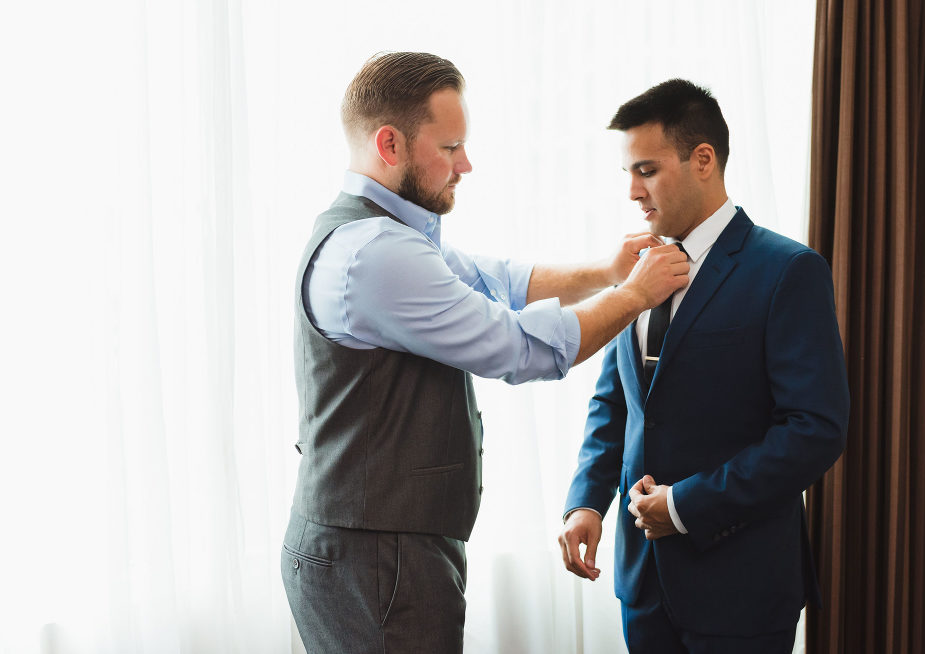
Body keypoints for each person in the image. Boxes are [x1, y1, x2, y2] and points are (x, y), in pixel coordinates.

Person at [281, 52, 690, 654]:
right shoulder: (374, 253)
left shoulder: (383, 235)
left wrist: (605, 271)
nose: (465, 164)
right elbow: (518, 348)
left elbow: (497, 279)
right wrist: (634, 294)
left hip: (381, 549)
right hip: (378, 559)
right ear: (389, 144)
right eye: (449, 148)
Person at [558, 79, 850, 653]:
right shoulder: (637, 268)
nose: (634, 193)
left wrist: (686, 506)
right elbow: (614, 401)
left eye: (646, 170)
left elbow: (815, 430)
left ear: (703, 159)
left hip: (741, 586)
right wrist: (586, 501)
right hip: (642, 586)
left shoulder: (788, 270)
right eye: (628, 175)